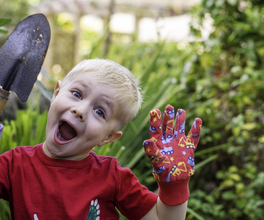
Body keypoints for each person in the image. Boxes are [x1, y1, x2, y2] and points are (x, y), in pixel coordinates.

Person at [0, 58, 202, 220]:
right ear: (56, 94)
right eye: (77, 94)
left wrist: (174, 187)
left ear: (108, 137)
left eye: (99, 111)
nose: (80, 110)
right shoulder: (14, 165)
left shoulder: (112, 177)